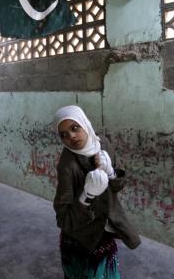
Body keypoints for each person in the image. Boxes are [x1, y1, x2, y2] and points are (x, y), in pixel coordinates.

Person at [53, 105, 141, 279]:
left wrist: (112, 173)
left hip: (104, 231)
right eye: (64, 134)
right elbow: (63, 219)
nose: (71, 136)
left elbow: (117, 186)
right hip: (81, 237)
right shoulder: (67, 166)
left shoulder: (103, 145)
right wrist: (86, 196)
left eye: (74, 128)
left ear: (85, 124)